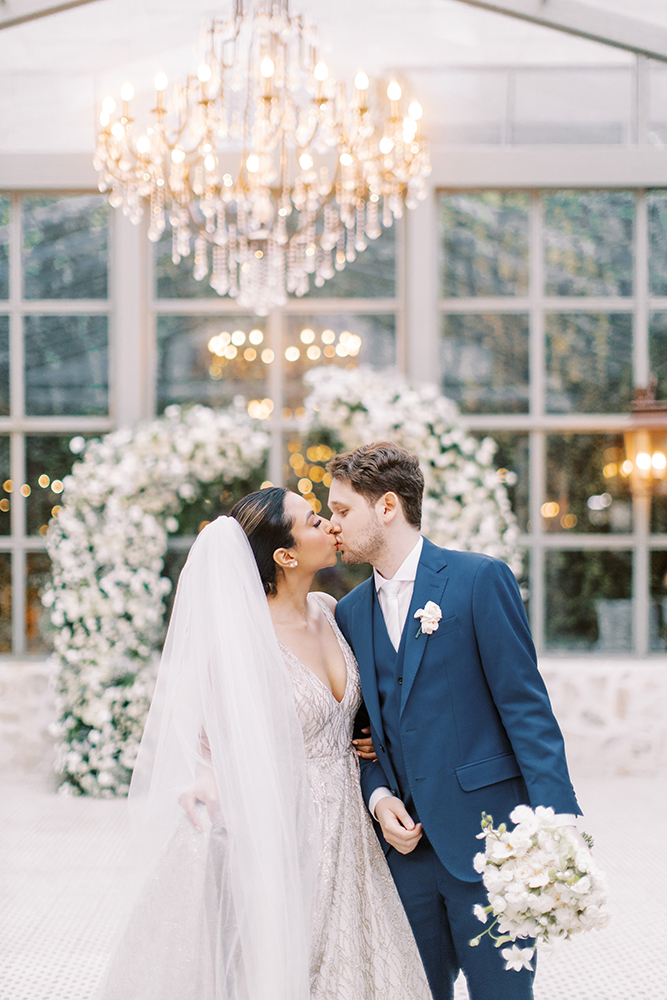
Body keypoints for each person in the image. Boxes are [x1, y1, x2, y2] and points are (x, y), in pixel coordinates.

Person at [96, 488, 432, 1000]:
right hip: (287, 825)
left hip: (352, 825)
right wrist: (205, 777)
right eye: (315, 520)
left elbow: (359, 711)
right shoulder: (241, 637)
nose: (330, 526)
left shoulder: (330, 608)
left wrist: (366, 742)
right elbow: (204, 734)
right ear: (286, 555)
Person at [327, 441, 582, 1000]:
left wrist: (559, 827)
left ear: (387, 506)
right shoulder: (348, 613)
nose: (332, 524)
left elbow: (526, 709)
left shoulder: (478, 581)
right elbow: (361, 733)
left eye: (343, 510)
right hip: (405, 855)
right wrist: (376, 797)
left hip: (490, 844)